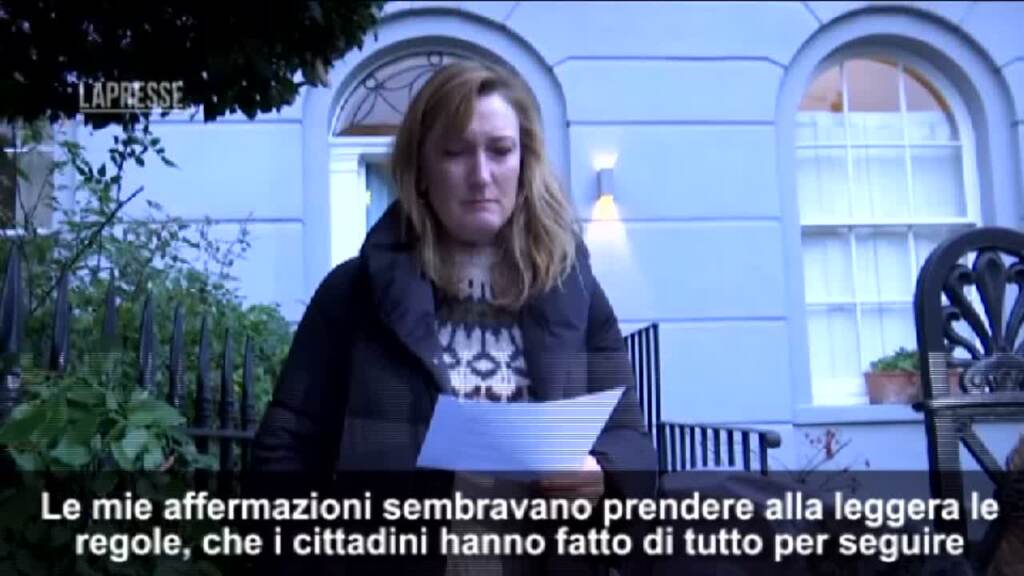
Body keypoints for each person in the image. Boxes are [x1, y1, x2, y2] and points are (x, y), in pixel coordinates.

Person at [251, 60, 657, 575]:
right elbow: (286, 452)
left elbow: (631, 441)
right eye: (455, 151)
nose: (481, 175)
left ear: (525, 164)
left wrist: (605, 476)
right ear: (421, 171)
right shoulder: (354, 294)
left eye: (500, 150)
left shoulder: (577, 294)